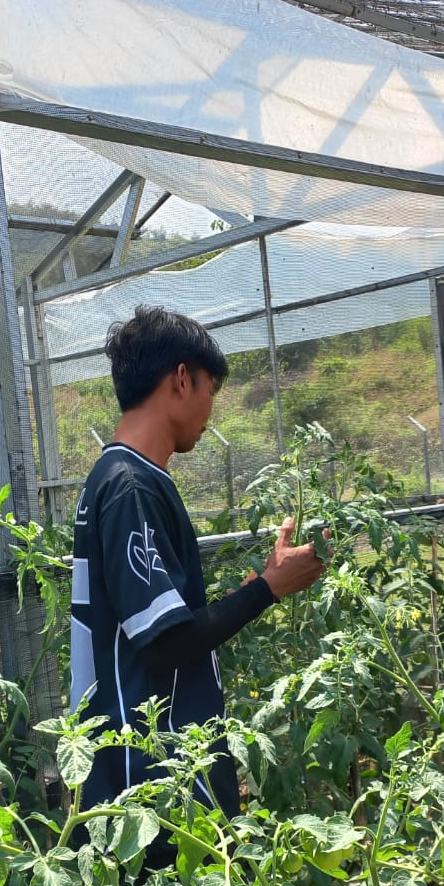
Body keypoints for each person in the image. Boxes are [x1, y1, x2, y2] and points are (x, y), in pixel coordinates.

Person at [70, 305, 325, 815]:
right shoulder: (130, 487)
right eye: (211, 388)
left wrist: (258, 588)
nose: (212, 409)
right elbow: (166, 645)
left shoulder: (120, 477)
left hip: (142, 770)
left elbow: (156, 625)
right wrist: (270, 588)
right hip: (152, 778)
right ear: (182, 379)